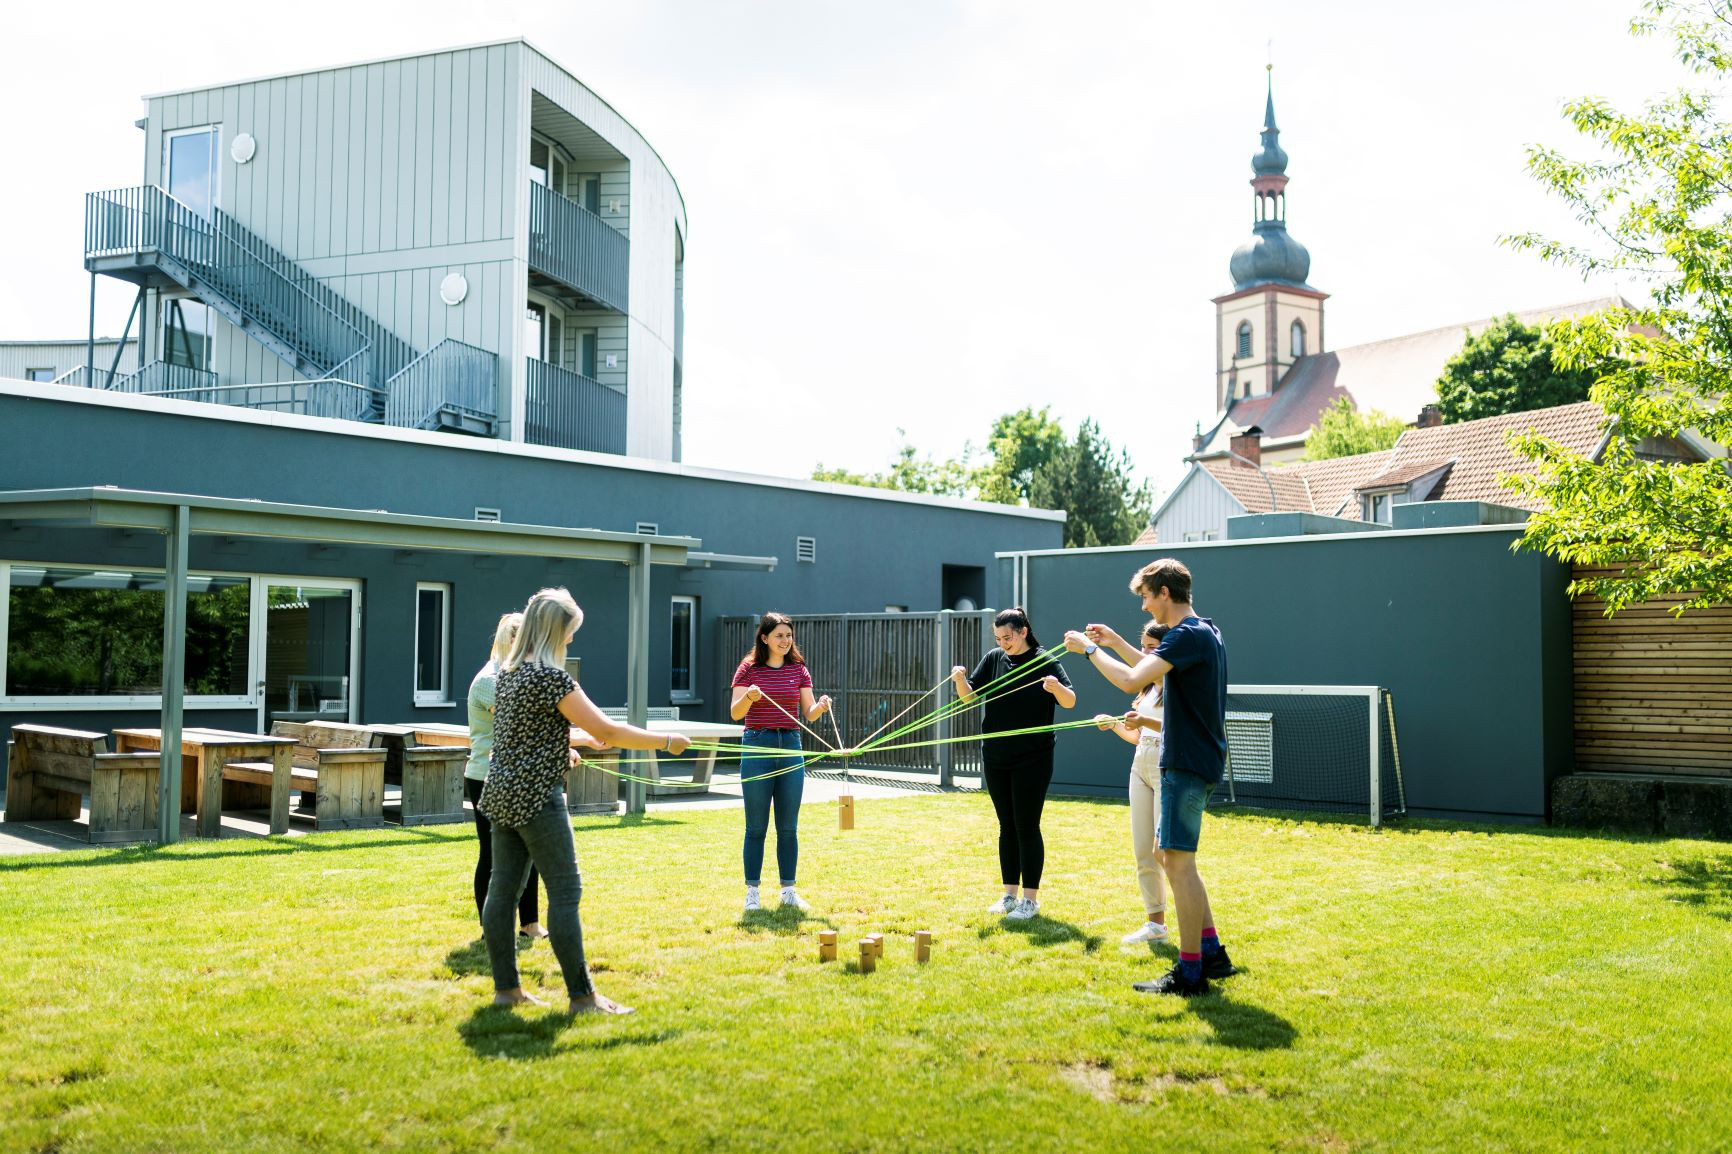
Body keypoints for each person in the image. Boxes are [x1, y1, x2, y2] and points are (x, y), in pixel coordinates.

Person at [479, 587, 690, 1016]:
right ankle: (583, 997)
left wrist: (571, 739)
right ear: (556, 629)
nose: (572, 639)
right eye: (570, 631)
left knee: (503, 891)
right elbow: (611, 732)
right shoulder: (553, 678)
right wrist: (666, 741)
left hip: (501, 791)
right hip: (538, 797)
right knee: (565, 891)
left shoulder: (509, 672)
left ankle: (507, 991)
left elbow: (525, 733)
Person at [1065, 558, 1234, 996]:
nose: (1143, 606)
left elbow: (1130, 682)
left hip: (1186, 760)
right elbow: (1151, 669)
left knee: (1178, 863)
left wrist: (1089, 650)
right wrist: (1116, 640)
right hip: (1196, 757)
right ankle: (1212, 952)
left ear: (1163, 592)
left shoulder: (1186, 635)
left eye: (1145, 596)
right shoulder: (1204, 631)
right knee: (1168, 856)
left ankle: (1192, 972)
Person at [950, 606, 1076, 920]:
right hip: (995, 755)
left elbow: (1071, 700)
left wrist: (1056, 688)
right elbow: (970, 697)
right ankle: (1009, 894)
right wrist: (960, 680)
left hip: (1032, 758)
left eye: (1008, 637)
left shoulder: (1044, 661)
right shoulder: (994, 658)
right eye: (998, 637)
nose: (1003, 642)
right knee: (1006, 826)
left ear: (1023, 632)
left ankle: (1030, 901)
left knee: (1026, 826)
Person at [730, 611, 832, 913]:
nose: (786, 641)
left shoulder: (798, 669)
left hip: (790, 745)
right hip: (757, 746)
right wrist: (749, 697)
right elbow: (736, 713)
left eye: (789, 635)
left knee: (788, 827)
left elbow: (809, 713)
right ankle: (753, 893)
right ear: (765, 638)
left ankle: (788, 890)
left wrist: (821, 706)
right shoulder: (748, 668)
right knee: (756, 827)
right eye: (779, 636)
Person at [466, 612, 551, 942]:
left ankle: (529, 924)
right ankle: (491, 928)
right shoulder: (490, 680)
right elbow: (519, 726)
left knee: (526, 852)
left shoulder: (512, 676)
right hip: (486, 777)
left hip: (515, 775)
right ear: (512, 641)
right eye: (528, 641)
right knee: (492, 855)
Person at [1093, 621, 1173, 946]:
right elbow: (1139, 737)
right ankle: (1155, 925)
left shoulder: (1175, 682)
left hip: (1168, 766)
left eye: (1152, 648)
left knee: (1164, 852)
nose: (1145, 654)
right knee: (1143, 851)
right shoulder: (1147, 689)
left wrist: (1145, 721)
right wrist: (1114, 725)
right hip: (1140, 765)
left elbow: (1176, 728)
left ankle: (1196, 924)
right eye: (1143, 647)